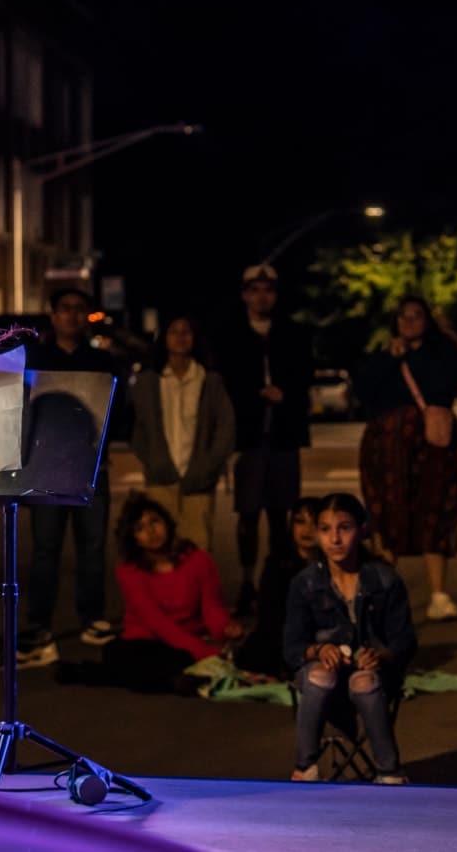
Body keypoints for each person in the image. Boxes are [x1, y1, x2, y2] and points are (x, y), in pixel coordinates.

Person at [283, 492, 416, 784]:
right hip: (323, 676)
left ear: (362, 530)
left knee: (364, 681)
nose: (335, 539)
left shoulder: (384, 580)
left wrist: (381, 655)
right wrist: (319, 649)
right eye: (326, 529)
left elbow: (405, 640)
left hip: (373, 676)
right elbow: (290, 647)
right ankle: (305, 768)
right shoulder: (304, 583)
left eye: (344, 528)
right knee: (320, 676)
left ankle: (389, 772)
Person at [19, 287, 118, 667]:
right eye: (65, 309)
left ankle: (91, 616)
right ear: (54, 314)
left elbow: (115, 414)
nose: (72, 316)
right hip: (46, 465)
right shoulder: (38, 357)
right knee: (46, 549)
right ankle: (39, 621)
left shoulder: (102, 360)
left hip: (93, 464)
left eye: (80, 309)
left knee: (92, 546)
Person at [356, 294, 457, 621]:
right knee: (387, 516)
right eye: (403, 316)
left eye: (416, 316)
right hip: (387, 451)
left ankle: (438, 594)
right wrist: (390, 359)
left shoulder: (442, 353)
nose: (408, 322)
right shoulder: (385, 354)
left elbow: (445, 388)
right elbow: (365, 391)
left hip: (431, 448)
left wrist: (412, 359)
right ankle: (384, 596)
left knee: (434, 513)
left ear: (427, 321)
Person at [60, 492, 241, 693]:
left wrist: (224, 629)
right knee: (124, 653)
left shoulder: (198, 560)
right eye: (140, 528)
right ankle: (175, 681)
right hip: (147, 641)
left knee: (175, 659)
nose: (151, 532)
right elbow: (158, 624)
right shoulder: (130, 572)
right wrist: (204, 653)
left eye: (155, 522)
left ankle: (91, 673)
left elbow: (211, 606)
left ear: (166, 523)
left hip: (186, 640)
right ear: (133, 538)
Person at [216, 263, 314, 617]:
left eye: (268, 290)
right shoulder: (231, 334)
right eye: (255, 290)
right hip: (248, 439)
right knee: (248, 514)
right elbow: (226, 383)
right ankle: (247, 581)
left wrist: (284, 394)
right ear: (244, 294)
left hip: (284, 437)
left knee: (281, 514)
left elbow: (304, 377)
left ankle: (280, 580)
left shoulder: (292, 333)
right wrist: (256, 394)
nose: (262, 296)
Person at [129, 313, 236, 552]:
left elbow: (225, 427)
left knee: (197, 551)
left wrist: (208, 467)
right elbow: (137, 427)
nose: (180, 337)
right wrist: (152, 460)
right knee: (159, 551)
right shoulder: (148, 381)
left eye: (186, 332)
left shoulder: (209, 381)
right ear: (164, 338)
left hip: (199, 482)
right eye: (173, 331)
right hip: (160, 479)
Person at [233, 496, 321, 678]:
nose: (307, 530)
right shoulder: (278, 563)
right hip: (283, 634)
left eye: (315, 523)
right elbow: (269, 613)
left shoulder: (334, 562)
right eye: (300, 522)